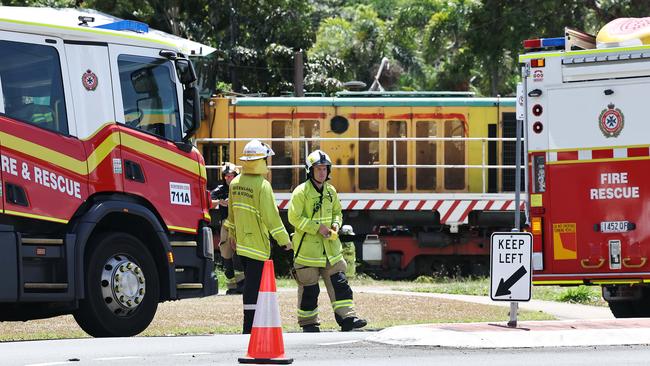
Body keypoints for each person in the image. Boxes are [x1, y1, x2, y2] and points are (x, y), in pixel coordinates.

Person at [288, 149, 367, 333]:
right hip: (307, 252)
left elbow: (338, 213)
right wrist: (317, 228)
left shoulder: (331, 191)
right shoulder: (301, 192)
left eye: (325, 169)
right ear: (310, 171)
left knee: (340, 284)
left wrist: (336, 224)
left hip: (331, 251)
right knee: (309, 290)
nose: (322, 172)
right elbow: (294, 218)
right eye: (318, 169)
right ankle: (309, 323)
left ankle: (348, 318)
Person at [226, 139, 292, 334]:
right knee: (256, 289)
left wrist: (232, 234)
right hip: (257, 246)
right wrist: (285, 241)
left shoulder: (235, 182)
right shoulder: (263, 186)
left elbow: (231, 214)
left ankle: (251, 326)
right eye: (266, 159)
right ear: (260, 161)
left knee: (249, 286)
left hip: (241, 245)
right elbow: (271, 217)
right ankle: (251, 329)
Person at [211, 162, 245, 295]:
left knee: (239, 252)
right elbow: (208, 201)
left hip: (239, 224)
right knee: (226, 253)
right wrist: (219, 202)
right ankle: (231, 285)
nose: (229, 179)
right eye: (227, 177)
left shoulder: (241, 188)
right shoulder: (221, 190)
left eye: (231, 176)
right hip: (226, 224)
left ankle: (242, 284)